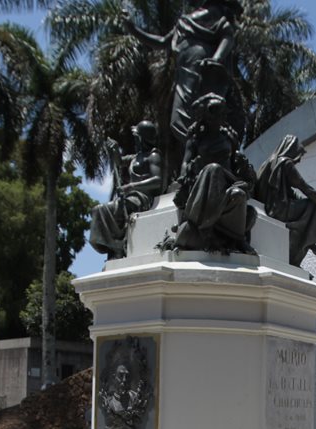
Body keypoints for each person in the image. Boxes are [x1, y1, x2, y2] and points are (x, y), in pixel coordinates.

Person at [124, 0, 243, 170]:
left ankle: (209, 159)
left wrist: (215, 59)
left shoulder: (214, 12)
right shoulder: (186, 19)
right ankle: (196, 162)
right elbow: (162, 42)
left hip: (202, 70)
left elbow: (227, 36)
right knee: (179, 121)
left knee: (205, 115)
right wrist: (132, 29)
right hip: (184, 73)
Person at [171, 93, 257, 254]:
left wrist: (244, 167)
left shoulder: (229, 137)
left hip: (227, 181)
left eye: (223, 113)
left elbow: (236, 161)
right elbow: (185, 163)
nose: (221, 117)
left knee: (238, 192)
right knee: (213, 169)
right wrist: (186, 172)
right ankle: (205, 227)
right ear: (206, 116)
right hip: (202, 183)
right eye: (216, 113)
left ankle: (239, 240)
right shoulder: (196, 139)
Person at [89, 121, 165, 259]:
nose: (135, 140)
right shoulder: (135, 157)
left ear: (143, 138)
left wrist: (131, 186)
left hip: (143, 198)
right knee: (98, 210)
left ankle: (116, 245)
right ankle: (113, 245)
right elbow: (119, 161)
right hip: (130, 197)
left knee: (107, 209)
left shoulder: (153, 156)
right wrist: (115, 149)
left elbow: (157, 180)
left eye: (137, 137)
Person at [254, 135, 316, 267]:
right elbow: (306, 188)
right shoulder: (285, 163)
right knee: (315, 207)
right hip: (279, 210)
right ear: (291, 149)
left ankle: (311, 239)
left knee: (309, 210)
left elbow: (288, 191)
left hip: (269, 207)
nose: (299, 160)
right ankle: (307, 244)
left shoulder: (267, 163)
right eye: (299, 154)